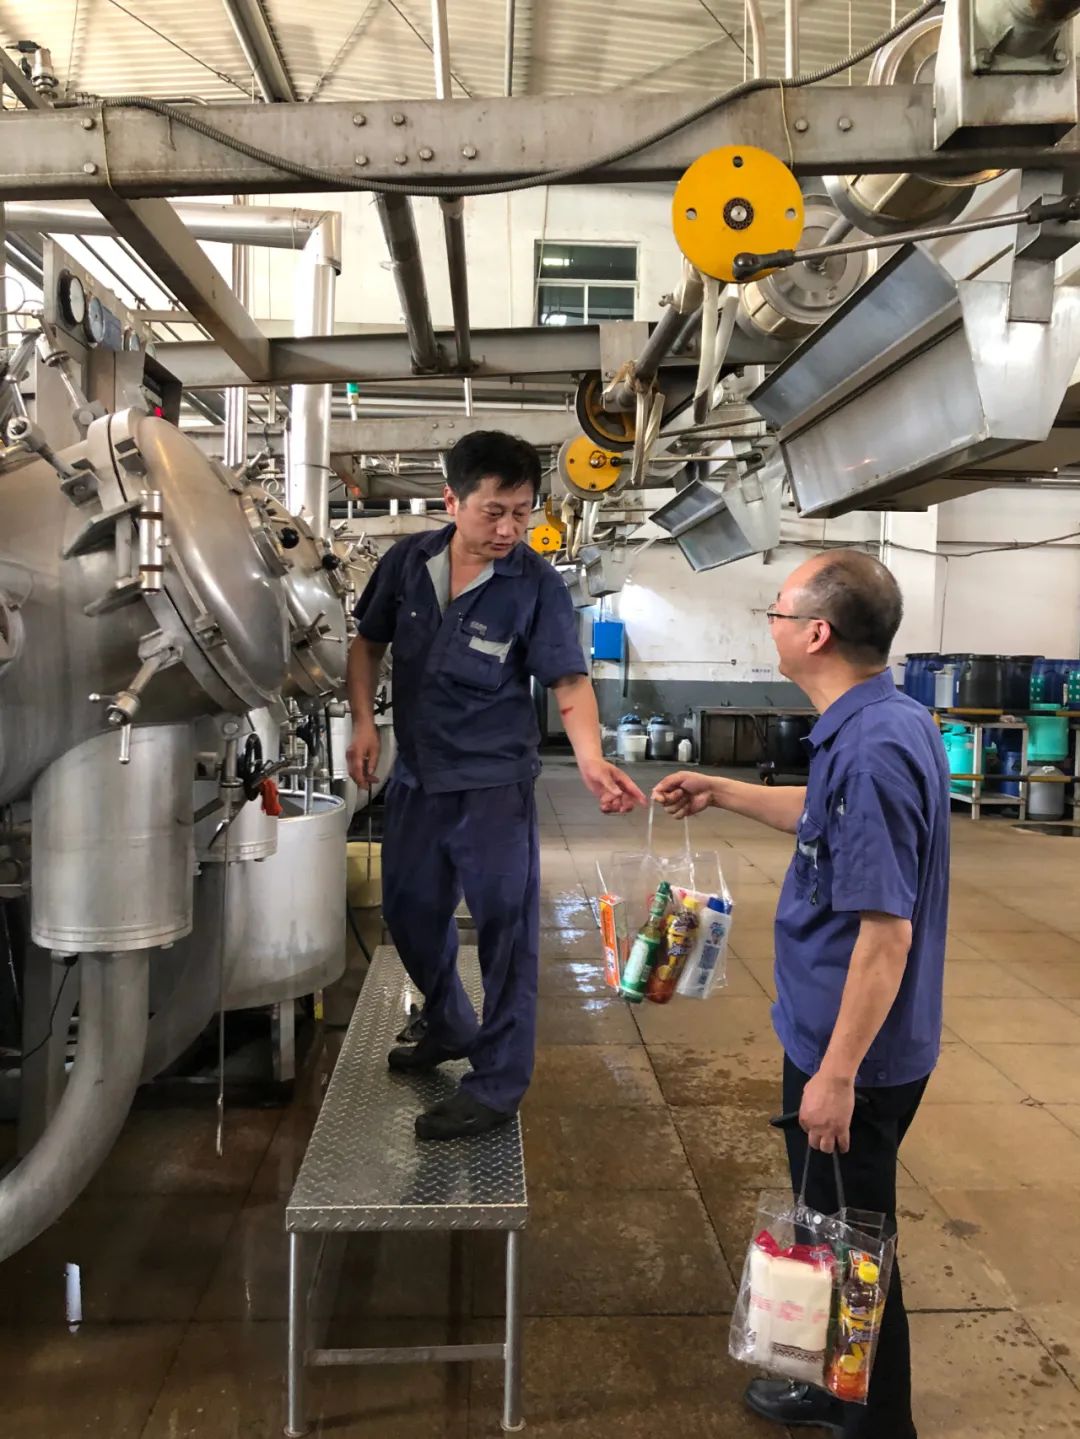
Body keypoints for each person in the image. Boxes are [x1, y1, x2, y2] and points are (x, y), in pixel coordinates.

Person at [655, 551, 949, 1439]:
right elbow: (818, 815)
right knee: (831, 1233)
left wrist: (836, 1075)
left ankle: (874, 1421)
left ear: (816, 633)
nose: (771, 623)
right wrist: (722, 790)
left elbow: (886, 935)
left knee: (858, 1249)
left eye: (777, 611)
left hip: (853, 1055)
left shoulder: (871, 750)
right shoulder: (880, 719)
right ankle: (831, 1386)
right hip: (842, 1040)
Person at [346, 431, 645, 1141]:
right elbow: (367, 643)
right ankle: (449, 1021)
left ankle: (497, 1083)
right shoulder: (407, 562)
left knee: (506, 934)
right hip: (418, 779)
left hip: (493, 789)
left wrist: (592, 758)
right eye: (494, 512)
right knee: (409, 914)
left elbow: (568, 682)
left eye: (522, 511)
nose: (510, 529)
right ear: (451, 501)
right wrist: (362, 721)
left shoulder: (534, 584)